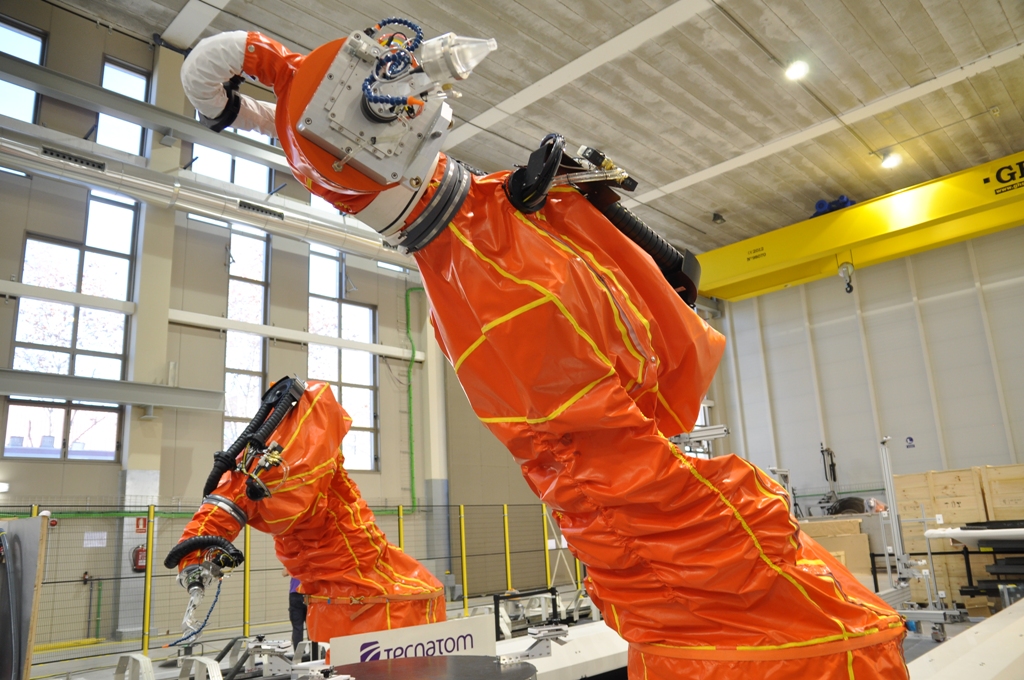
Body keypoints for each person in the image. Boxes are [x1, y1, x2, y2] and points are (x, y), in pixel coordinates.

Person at [178, 23, 908, 679]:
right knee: (599, 470)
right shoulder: (485, 241)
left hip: (474, 252)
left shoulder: (486, 257)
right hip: (474, 247)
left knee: (597, 468)